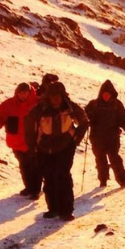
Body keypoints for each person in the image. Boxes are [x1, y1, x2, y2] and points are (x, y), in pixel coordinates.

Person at [26, 81, 89, 221]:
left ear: (62, 96)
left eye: (58, 96)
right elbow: (29, 128)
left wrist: (75, 138)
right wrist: (32, 147)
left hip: (65, 146)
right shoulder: (40, 109)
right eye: (53, 96)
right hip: (44, 148)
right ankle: (53, 208)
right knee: (49, 177)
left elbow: (84, 122)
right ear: (48, 96)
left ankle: (65, 211)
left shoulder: (70, 107)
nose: (56, 99)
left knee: (62, 176)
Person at [0, 82, 41, 199]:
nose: (23, 95)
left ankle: (35, 190)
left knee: (34, 166)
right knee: (24, 166)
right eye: (21, 93)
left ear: (29, 92)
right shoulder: (8, 105)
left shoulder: (37, 103)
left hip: (33, 142)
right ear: (17, 93)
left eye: (25, 93)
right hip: (16, 143)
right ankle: (28, 187)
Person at [84, 80, 125, 189]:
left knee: (114, 157)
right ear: (101, 94)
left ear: (111, 94)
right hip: (97, 137)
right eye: (104, 94)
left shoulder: (117, 105)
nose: (105, 96)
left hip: (112, 137)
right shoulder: (94, 104)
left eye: (108, 94)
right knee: (100, 159)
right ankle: (103, 180)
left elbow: (121, 119)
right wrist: (88, 120)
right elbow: (86, 114)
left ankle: (122, 180)